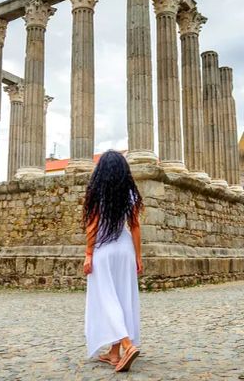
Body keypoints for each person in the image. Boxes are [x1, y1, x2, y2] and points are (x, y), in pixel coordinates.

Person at [83, 150, 142, 373]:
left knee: (106, 299)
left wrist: (88, 253)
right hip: (125, 249)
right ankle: (114, 353)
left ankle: (126, 345)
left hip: (104, 249)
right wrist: (138, 255)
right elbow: (135, 226)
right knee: (122, 298)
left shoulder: (96, 191)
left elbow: (93, 225)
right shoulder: (130, 193)